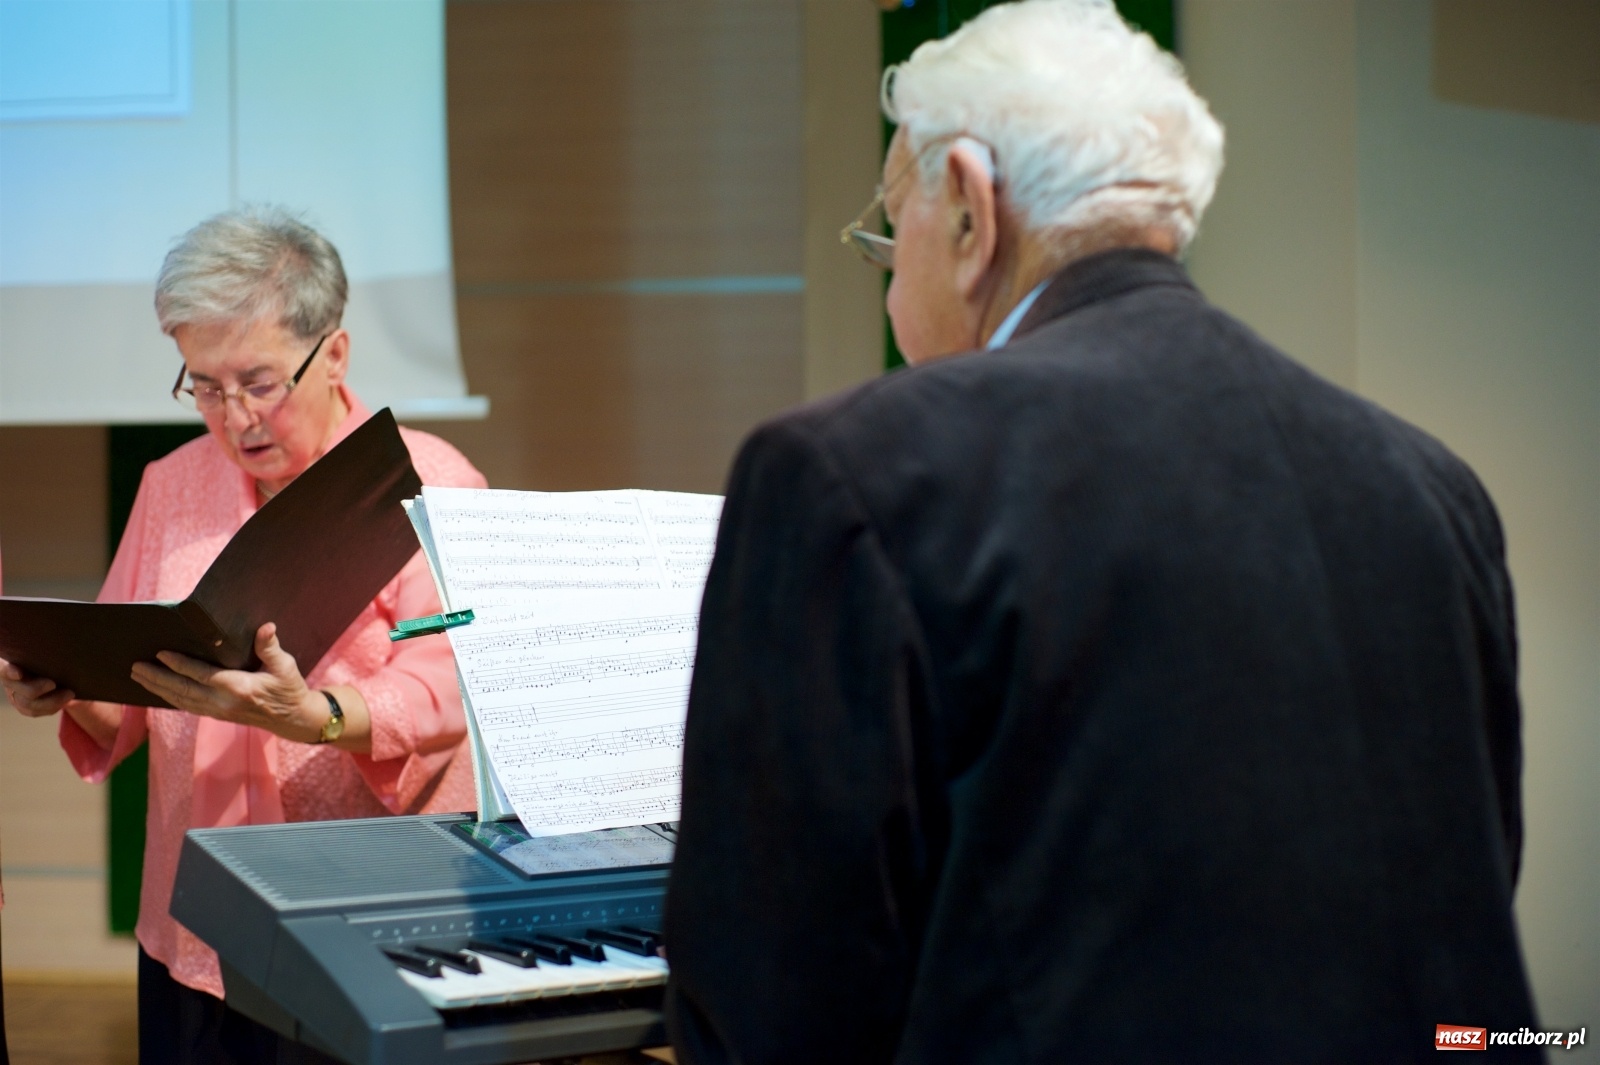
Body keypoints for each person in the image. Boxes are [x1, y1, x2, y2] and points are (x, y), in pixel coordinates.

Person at [664, 1, 1539, 1061]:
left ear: (971, 211)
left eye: (890, 237)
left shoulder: (856, 474)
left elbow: (772, 1005)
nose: (892, 280)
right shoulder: (1431, 485)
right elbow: (1476, 911)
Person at [0, 207, 486, 1064]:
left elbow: (449, 675)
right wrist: (58, 681)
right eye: (205, 386)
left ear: (333, 353)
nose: (234, 418)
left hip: (372, 921)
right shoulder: (171, 484)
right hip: (198, 929)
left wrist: (322, 714)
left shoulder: (427, 482)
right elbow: (130, 683)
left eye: (259, 382)